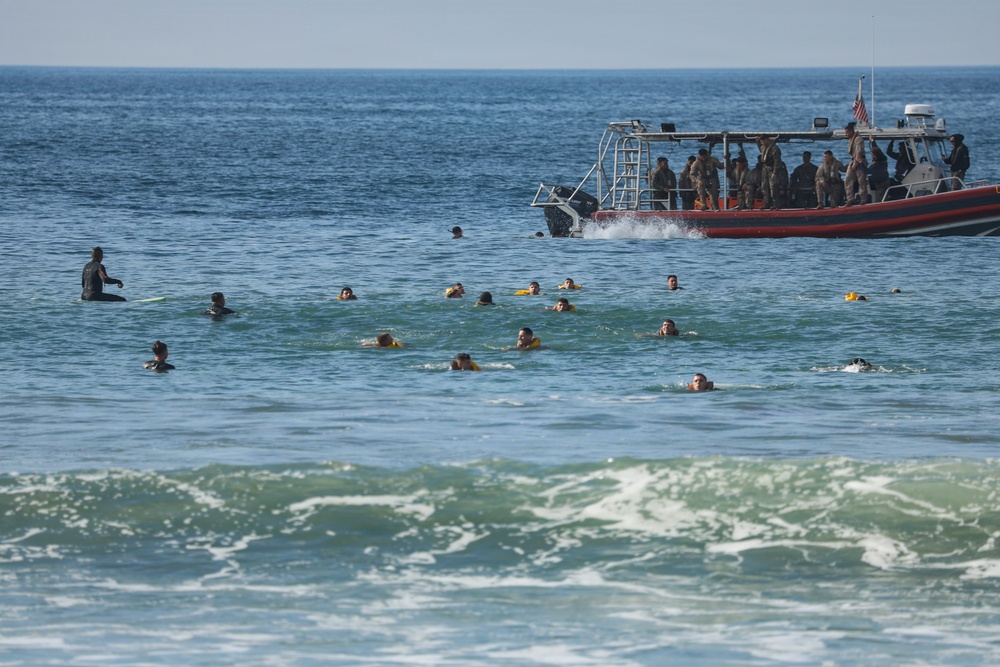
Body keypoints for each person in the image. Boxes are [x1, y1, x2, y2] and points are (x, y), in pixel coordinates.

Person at [843, 122, 868, 206]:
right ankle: (850, 199)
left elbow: (859, 152)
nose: (846, 134)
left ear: (851, 131)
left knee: (862, 182)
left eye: (847, 133)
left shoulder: (858, 139)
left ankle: (863, 199)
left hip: (859, 162)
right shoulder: (851, 139)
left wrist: (855, 164)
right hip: (853, 160)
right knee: (847, 179)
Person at [758, 136, 782, 209]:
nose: (761, 142)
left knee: (773, 187)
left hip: (772, 169)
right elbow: (761, 151)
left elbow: (777, 161)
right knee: (764, 187)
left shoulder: (774, 148)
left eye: (762, 141)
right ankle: (766, 203)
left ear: (766, 140)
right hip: (765, 169)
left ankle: (776, 204)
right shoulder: (763, 147)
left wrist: (775, 172)